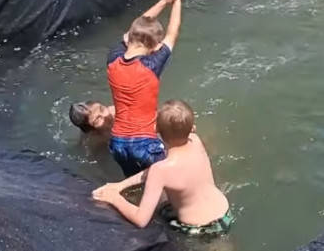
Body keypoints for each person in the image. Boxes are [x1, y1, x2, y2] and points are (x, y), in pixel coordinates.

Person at [92, 100, 233, 235]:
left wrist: (114, 197)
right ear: (191, 127)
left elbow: (141, 220)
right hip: (224, 212)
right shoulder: (195, 141)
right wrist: (120, 186)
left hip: (199, 228)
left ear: (155, 128)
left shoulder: (160, 170)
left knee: (152, 205)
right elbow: (157, 172)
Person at [105, 0, 182, 176]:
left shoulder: (113, 58)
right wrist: (176, 1)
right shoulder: (151, 65)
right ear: (155, 46)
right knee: (164, 187)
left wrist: (165, 0)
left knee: (132, 185)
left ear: (128, 39)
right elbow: (173, 33)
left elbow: (136, 27)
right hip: (145, 143)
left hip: (118, 144)